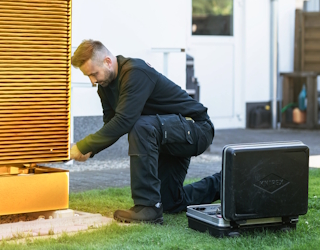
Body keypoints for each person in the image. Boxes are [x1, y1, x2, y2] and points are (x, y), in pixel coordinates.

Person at [70, 39, 221, 224]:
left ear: (108, 61)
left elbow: (125, 120)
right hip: (167, 134)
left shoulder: (135, 72)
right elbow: (111, 123)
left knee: (139, 125)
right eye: (88, 76)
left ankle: (148, 208)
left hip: (196, 128)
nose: (93, 81)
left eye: (94, 74)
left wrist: (83, 145)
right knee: (170, 202)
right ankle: (223, 183)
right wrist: (90, 150)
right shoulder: (105, 87)